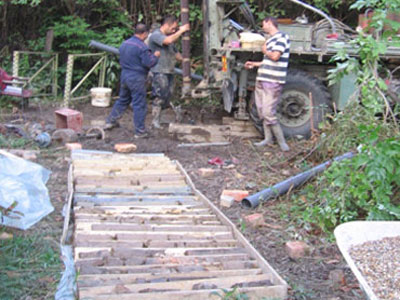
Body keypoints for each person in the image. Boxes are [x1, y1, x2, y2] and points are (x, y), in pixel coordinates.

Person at [105, 23, 160, 138]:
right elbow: (149, 63)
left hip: (125, 76)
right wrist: (156, 56)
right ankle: (140, 131)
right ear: (144, 33)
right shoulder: (142, 47)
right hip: (137, 78)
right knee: (139, 104)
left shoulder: (125, 44)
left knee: (123, 99)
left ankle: (110, 121)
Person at [245, 17, 290, 151]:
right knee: (261, 110)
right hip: (262, 79)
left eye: (263, 24)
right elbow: (269, 61)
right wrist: (254, 64)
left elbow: (275, 56)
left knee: (268, 112)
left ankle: (282, 142)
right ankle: (267, 139)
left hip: (273, 80)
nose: (262, 27)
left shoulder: (282, 38)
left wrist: (264, 50)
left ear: (270, 23)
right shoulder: (270, 39)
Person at [147, 15, 190, 129]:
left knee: (167, 96)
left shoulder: (169, 39)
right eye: (173, 28)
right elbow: (168, 41)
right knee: (159, 96)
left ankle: (160, 119)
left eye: (176, 29)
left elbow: (176, 54)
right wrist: (181, 30)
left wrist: (187, 61)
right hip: (158, 71)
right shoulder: (156, 35)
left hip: (168, 71)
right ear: (166, 25)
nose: (174, 30)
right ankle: (155, 121)